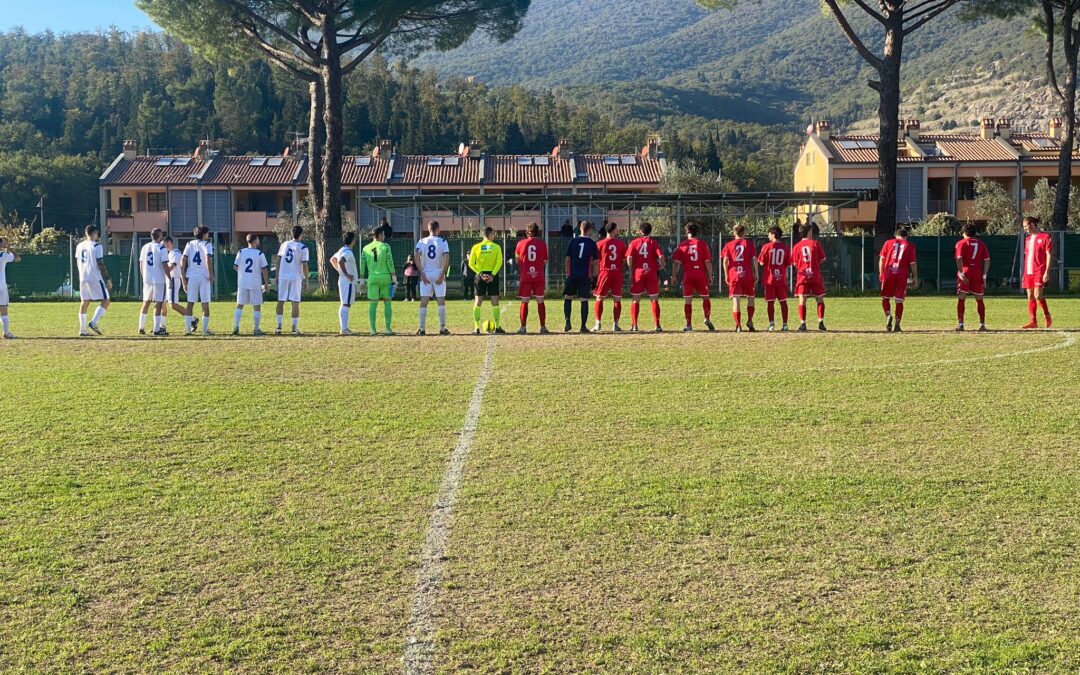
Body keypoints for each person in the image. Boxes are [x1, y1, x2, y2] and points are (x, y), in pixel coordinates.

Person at [671, 222, 715, 332]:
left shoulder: (682, 245)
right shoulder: (702, 244)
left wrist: (674, 276)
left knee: (688, 300)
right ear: (697, 232)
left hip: (688, 275)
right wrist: (710, 275)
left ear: (687, 232)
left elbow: (676, 263)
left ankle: (689, 325)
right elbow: (707, 262)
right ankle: (707, 318)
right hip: (700, 274)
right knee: (705, 297)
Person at [626, 221, 665, 332]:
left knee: (636, 299)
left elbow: (629, 258)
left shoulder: (634, 242)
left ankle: (634, 325)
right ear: (650, 231)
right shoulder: (653, 242)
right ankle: (657, 325)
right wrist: (662, 265)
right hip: (651, 272)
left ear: (640, 231)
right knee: (654, 299)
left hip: (638, 273)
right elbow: (661, 255)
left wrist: (631, 269)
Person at [415, 221, 451, 336]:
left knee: (424, 301)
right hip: (438, 272)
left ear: (428, 229)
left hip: (426, 272)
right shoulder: (443, 241)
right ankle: (442, 328)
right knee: (441, 301)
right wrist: (442, 274)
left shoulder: (422, 241)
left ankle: (422, 329)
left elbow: (416, 256)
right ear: (438, 229)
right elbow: (446, 257)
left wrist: (421, 273)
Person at [879, 227, 918, 332]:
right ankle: (897, 324)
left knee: (885, 298)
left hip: (888, 273)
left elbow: (882, 259)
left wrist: (881, 273)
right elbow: (913, 264)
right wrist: (915, 278)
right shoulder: (910, 246)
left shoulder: (888, 243)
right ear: (906, 237)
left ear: (896, 235)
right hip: (901, 275)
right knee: (899, 301)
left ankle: (888, 314)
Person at [361, 225, 398, 336]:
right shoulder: (386, 246)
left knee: (373, 303)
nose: (384, 236)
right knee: (387, 302)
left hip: (372, 277)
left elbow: (362, 264)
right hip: (385, 277)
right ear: (380, 235)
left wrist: (362, 278)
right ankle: (387, 328)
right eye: (383, 234)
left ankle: (372, 329)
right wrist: (394, 276)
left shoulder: (365, 248)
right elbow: (389, 261)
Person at [76, 224, 112, 336]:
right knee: (106, 300)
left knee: (84, 302)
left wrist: (81, 274)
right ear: (95, 233)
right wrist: (107, 279)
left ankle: (82, 330)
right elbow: (100, 263)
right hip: (95, 277)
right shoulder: (97, 246)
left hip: (83, 277)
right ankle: (94, 322)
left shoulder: (79, 246)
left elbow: (78, 262)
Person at [468, 226, 505, 334]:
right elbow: (499, 262)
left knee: (478, 302)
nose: (494, 235)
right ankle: (497, 327)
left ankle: (476, 328)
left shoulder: (476, 247)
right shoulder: (496, 247)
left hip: (480, 276)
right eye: (493, 233)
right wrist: (492, 275)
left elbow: (471, 263)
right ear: (489, 234)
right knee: (495, 302)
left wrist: (481, 274)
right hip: (492, 276)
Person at [791, 222, 827, 332]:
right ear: (808, 233)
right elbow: (823, 258)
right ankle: (820, 322)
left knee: (802, 299)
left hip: (802, 276)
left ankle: (803, 323)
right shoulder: (815, 244)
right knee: (819, 298)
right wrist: (814, 263)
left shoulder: (796, 247)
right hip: (815, 275)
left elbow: (794, 263)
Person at [564, 220, 599, 333]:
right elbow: (595, 262)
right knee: (584, 300)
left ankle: (567, 322)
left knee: (568, 297)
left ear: (580, 228)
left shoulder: (573, 241)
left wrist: (567, 272)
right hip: (585, 275)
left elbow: (568, 259)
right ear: (589, 230)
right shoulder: (592, 244)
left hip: (573, 274)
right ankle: (583, 326)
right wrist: (595, 275)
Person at [514, 222, 549, 334]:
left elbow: (516, 260)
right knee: (540, 300)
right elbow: (545, 261)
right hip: (538, 275)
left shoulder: (520, 243)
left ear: (527, 232)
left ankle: (523, 327)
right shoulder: (542, 244)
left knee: (525, 301)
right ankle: (543, 327)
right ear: (537, 232)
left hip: (526, 276)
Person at [721, 224, 756, 332]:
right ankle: (750, 320)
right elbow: (754, 259)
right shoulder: (749, 244)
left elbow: (725, 260)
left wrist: (726, 274)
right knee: (750, 298)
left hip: (734, 275)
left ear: (734, 233)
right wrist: (756, 273)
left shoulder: (729, 245)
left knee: (736, 300)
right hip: (747, 274)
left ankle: (738, 325)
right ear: (744, 233)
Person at [593, 222, 628, 332]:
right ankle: (615, 324)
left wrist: (595, 274)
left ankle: (598, 323)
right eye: (616, 229)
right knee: (617, 299)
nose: (617, 231)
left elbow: (596, 261)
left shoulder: (599, 244)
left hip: (605, 272)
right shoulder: (621, 244)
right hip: (617, 272)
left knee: (599, 298)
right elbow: (624, 259)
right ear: (613, 231)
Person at [275, 225, 309, 335]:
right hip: (295, 277)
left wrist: (276, 275)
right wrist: (306, 279)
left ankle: (279, 327)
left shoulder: (284, 244)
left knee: (281, 301)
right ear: (301, 234)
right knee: (295, 302)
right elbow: (304, 265)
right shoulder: (303, 247)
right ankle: (294, 329)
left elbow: (278, 260)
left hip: (283, 275)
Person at [955, 223, 990, 332]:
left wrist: (961, 273)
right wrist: (984, 276)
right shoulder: (981, 244)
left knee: (961, 298)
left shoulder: (961, 243)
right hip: (977, 272)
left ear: (964, 232)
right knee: (979, 299)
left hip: (966, 270)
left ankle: (961, 324)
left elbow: (959, 258)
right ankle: (982, 324)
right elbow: (987, 260)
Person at [232, 234, 269, 335]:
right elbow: (264, 269)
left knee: (239, 305)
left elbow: (235, 266)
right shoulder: (259, 253)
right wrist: (266, 283)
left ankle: (236, 326)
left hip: (242, 282)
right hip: (255, 283)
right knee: (256, 306)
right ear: (256, 241)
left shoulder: (241, 252)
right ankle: (256, 329)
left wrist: (242, 272)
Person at [1021, 216, 1053, 329]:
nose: (1025, 229)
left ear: (1033, 225)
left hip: (1039, 270)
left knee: (1038, 295)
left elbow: (1049, 255)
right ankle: (1033, 321)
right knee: (1030, 296)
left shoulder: (1045, 237)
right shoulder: (1028, 239)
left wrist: (1047, 272)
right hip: (1028, 271)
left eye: (1026, 227)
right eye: (1024, 227)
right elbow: (1027, 256)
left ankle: (1047, 315)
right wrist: (1024, 273)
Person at [757, 226, 792, 331]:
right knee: (783, 302)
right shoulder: (785, 248)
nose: (768, 236)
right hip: (781, 279)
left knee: (770, 302)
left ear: (773, 234)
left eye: (769, 234)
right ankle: (785, 324)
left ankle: (771, 324)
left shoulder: (767, 247)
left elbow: (761, 262)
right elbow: (788, 264)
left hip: (770, 279)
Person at [181, 226, 214, 335]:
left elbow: (183, 259)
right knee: (205, 304)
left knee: (190, 303)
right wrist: (211, 274)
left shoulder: (189, 244)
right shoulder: (207, 244)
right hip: (203, 276)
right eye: (207, 233)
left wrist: (183, 277)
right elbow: (208, 258)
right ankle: (204, 330)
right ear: (204, 234)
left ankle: (187, 330)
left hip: (192, 276)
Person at [137, 228, 168, 336]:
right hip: (159, 279)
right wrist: (168, 277)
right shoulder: (161, 248)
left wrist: (144, 275)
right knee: (158, 304)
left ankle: (141, 327)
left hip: (147, 279)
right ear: (160, 236)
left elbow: (141, 264)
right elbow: (164, 265)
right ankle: (156, 329)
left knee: (146, 303)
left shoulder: (145, 247)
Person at [162, 236, 193, 334]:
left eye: (164, 245)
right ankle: (161, 326)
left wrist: (162, 272)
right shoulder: (170, 253)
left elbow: (172, 266)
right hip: (168, 279)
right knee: (162, 304)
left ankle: (192, 319)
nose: (163, 247)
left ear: (169, 243)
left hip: (173, 279)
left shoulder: (175, 253)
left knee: (173, 305)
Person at [331, 232, 359, 335]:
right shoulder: (348, 252)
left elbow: (332, 260)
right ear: (352, 241)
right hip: (348, 282)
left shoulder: (341, 250)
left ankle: (344, 328)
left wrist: (340, 272)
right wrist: (346, 274)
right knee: (346, 304)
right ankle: (344, 329)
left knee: (344, 304)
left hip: (343, 280)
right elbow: (340, 261)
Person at [0, 236, 21, 339]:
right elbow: (17, 258)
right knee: (3, 307)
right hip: (1, 286)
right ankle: (6, 332)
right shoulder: (3, 255)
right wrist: (9, 248)